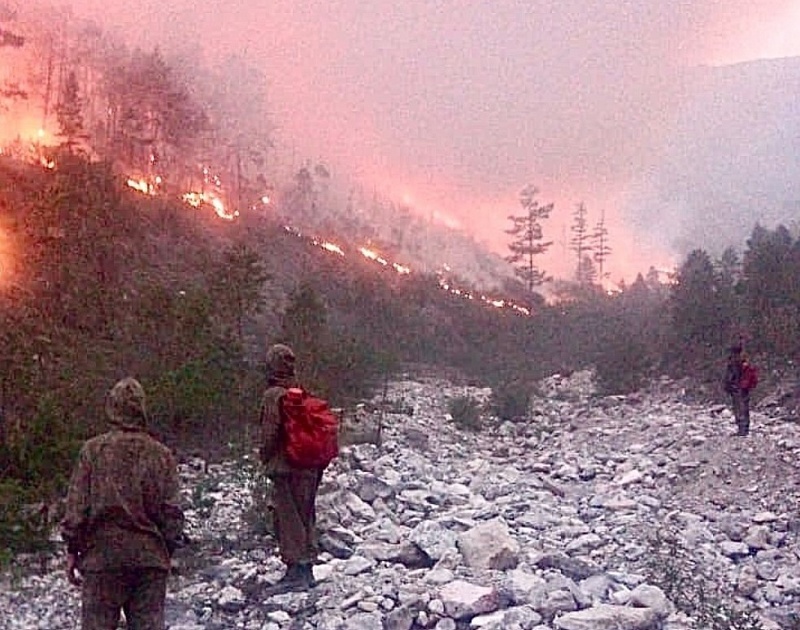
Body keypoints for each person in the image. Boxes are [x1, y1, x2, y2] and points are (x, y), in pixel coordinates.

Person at [61, 377, 185, 630]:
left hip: (101, 560)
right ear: (142, 410)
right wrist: (165, 551)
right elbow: (172, 514)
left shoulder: (92, 451)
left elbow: (76, 510)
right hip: (149, 559)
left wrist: (73, 550)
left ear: (112, 408)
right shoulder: (161, 454)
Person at [259, 343, 323, 592]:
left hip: (286, 467)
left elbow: (269, 435)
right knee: (306, 515)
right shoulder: (301, 391)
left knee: (287, 519)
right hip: (310, 465)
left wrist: (265, 458)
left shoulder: (273, 395)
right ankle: (307, 570)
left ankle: (295, 571)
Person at [723, 344, 752, 436]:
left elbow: (731, 376)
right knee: (744, 408)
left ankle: (742, 429)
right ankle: (744, 428)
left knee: (740, 408)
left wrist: (729, 385)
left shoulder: (735, 362)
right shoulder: (744, 361)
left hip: (738, 388)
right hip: (743, 388)